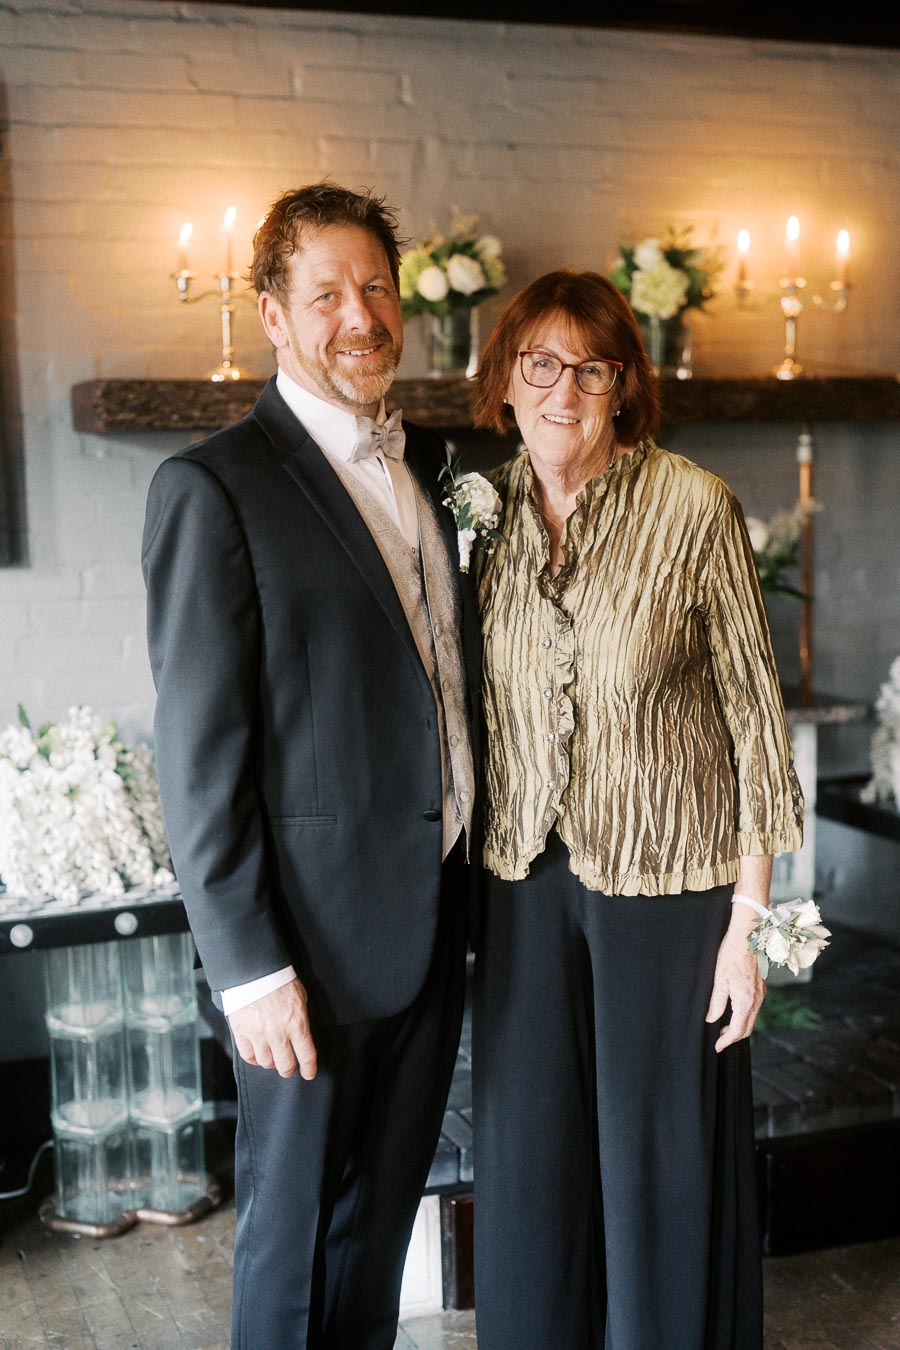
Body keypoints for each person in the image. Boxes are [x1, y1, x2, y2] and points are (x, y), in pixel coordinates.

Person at [141, 183, 481, 1349]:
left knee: (376, 1231)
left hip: (436, 922)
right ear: (274, 316)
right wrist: (247, 968)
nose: (361, 315)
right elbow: (198, 749)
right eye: (326, 292)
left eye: (378, 287)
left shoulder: (435, 465)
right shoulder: (214, 486)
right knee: (291, 1240)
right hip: (303, 955)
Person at [469, 270, 804, 1350]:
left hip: (671, 893)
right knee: (530, 1169)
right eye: (541, 364)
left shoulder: (695, 505)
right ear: (505, 380)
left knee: (661, 1173)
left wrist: (748, 933)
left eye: (592, 368)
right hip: (522, 883)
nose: (564, 389)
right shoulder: (481, 514)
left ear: (623, 386)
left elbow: (759, 726)